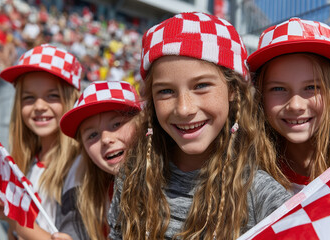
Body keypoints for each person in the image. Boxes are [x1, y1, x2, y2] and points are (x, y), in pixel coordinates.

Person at [108, 12, 292, 240]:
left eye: (201, 86)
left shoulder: (260, 194)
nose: (184, 109)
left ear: (233, 90)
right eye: (166, 91)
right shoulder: (132, 175)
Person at [247, 18, 330, 194]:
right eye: (278, 88)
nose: (296, 105)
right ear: (260, 96)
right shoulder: (244, 172)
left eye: (312, 87)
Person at [0, 44, 83, 239]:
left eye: (52, 96)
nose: (39, 106)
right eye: (29, 98)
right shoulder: (28, 161)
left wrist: (13, 217)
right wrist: (8, 211)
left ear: (71, 99)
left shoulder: (79, 167)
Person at [51, 80, 141, 240]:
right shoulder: (96, 197)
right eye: (92, 135)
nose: (106, 139)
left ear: (141, 123)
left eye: (116, 124)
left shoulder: (174, 179)